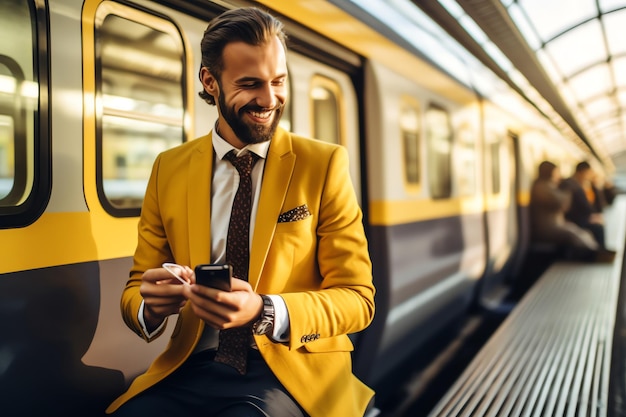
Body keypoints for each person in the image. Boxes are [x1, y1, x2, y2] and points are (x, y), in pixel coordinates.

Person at [106, 7, 375, 417]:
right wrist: (151, 305)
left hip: (292, 370)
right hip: (191, 365)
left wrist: (265, 310)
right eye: (250, 84)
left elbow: (359, 300)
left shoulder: (324, 165)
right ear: (210, 82)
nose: (269, 100)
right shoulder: (168, 168)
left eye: (278, 82)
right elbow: (136, 289)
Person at [529, 161, 599, 259]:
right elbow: (562, 204)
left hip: (556, 223)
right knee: (574, 234)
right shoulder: (541, 187)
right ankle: (594, 254)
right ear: (549, 172)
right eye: (556, 172)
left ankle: (595, 251)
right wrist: (568, 190)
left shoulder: (548, 185)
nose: (558, 175)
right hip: (548, 227)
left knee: (581, 232)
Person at [559, 161, 611, 252]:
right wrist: (590, 217)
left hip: (577, 217)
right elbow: (581, 205)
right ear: (581, 172)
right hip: (573, 219)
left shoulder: (574, 184)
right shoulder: (571, 184)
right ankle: (601, 252)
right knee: (598, 228)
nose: (588, 177)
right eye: (587, 173)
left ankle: (600, 251)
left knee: (597, 223)